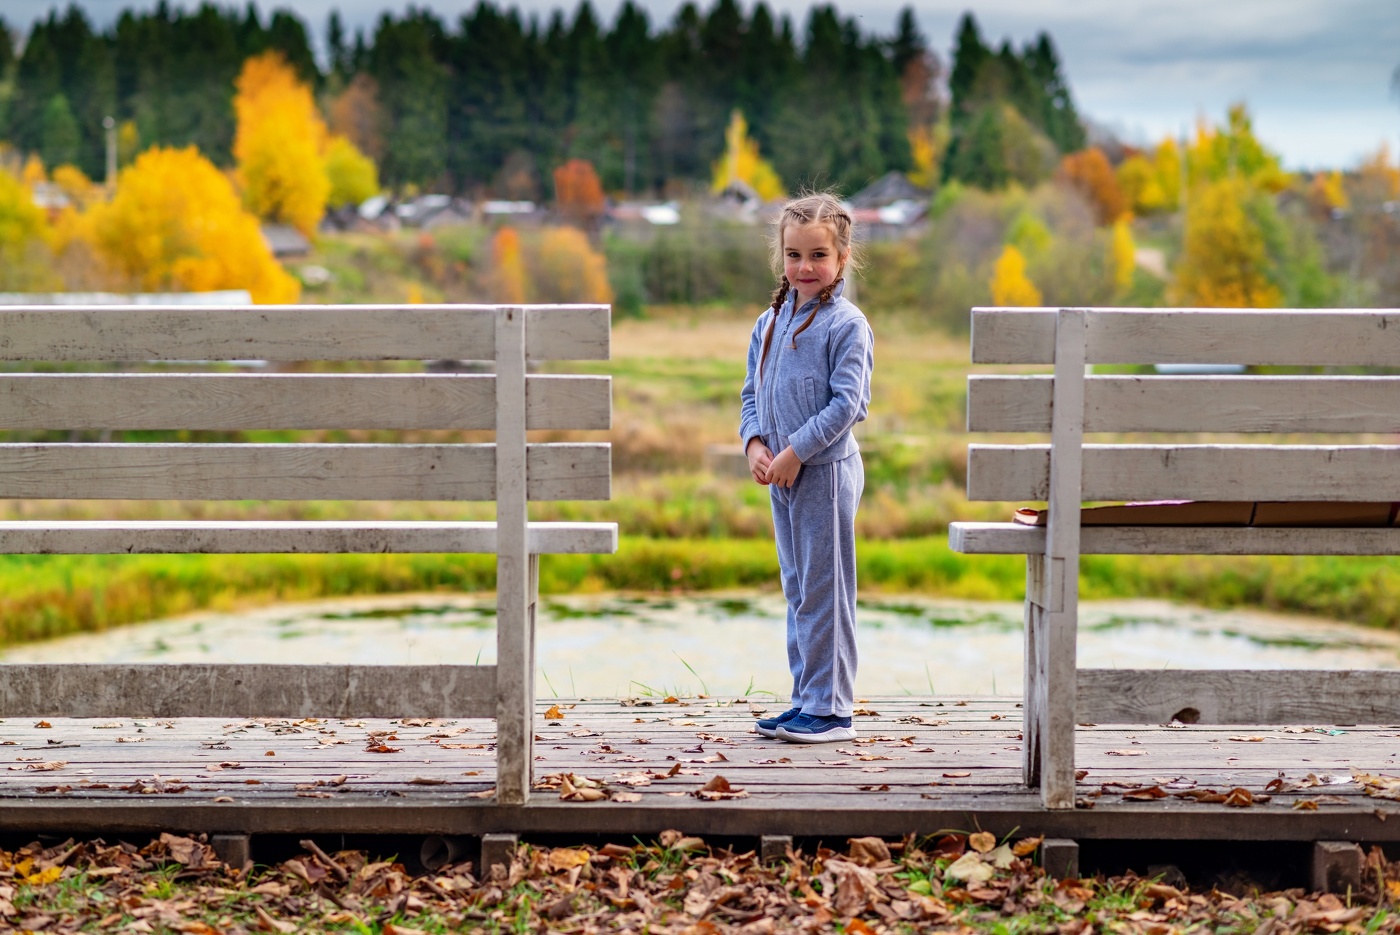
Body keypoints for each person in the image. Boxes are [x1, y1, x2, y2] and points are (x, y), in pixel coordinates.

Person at [738, 193, 873, 743]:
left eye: (819, 255)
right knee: (798, 589)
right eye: (794, 255)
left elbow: (849, 405)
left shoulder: (847, 325)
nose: (805, 267)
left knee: (826, 591)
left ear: (842, 258)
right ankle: (806, 700)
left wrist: (796, 451)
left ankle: (832, 710)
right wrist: (754, 443)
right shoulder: (769, 321)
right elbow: (751, 393)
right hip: (782, 476)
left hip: (825, 474)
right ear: (782, 257)